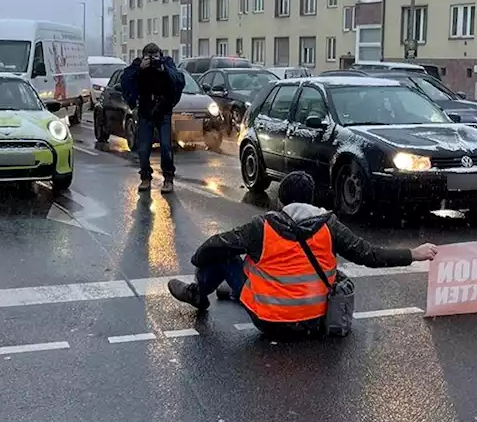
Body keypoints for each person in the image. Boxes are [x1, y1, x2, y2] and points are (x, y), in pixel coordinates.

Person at [166, 171, 438, 338]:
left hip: (270, 323)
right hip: (316, 321)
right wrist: (413, 253)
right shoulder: (329, 226)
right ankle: (235, 292)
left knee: (225, 256)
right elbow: (369, 255)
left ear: (282, 201)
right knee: (330, 271)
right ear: (311, 200)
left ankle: (198, 294)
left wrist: (199, 263)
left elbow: (214, 245)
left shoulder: (263, 227)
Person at [120, 42, 185, 193]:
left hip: (163, 110)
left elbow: (178, 79)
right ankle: (145, 177)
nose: (153, 61)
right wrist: (139, 69)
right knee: (143, 148)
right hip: (145, 110)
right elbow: (125, 81)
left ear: (160, 55)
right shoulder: (138, 66)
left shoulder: (166, 63)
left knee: (166, 147)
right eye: (149, 58)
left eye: (155, 57)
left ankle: (168, 179)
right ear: (143, 57)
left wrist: (163, 69)